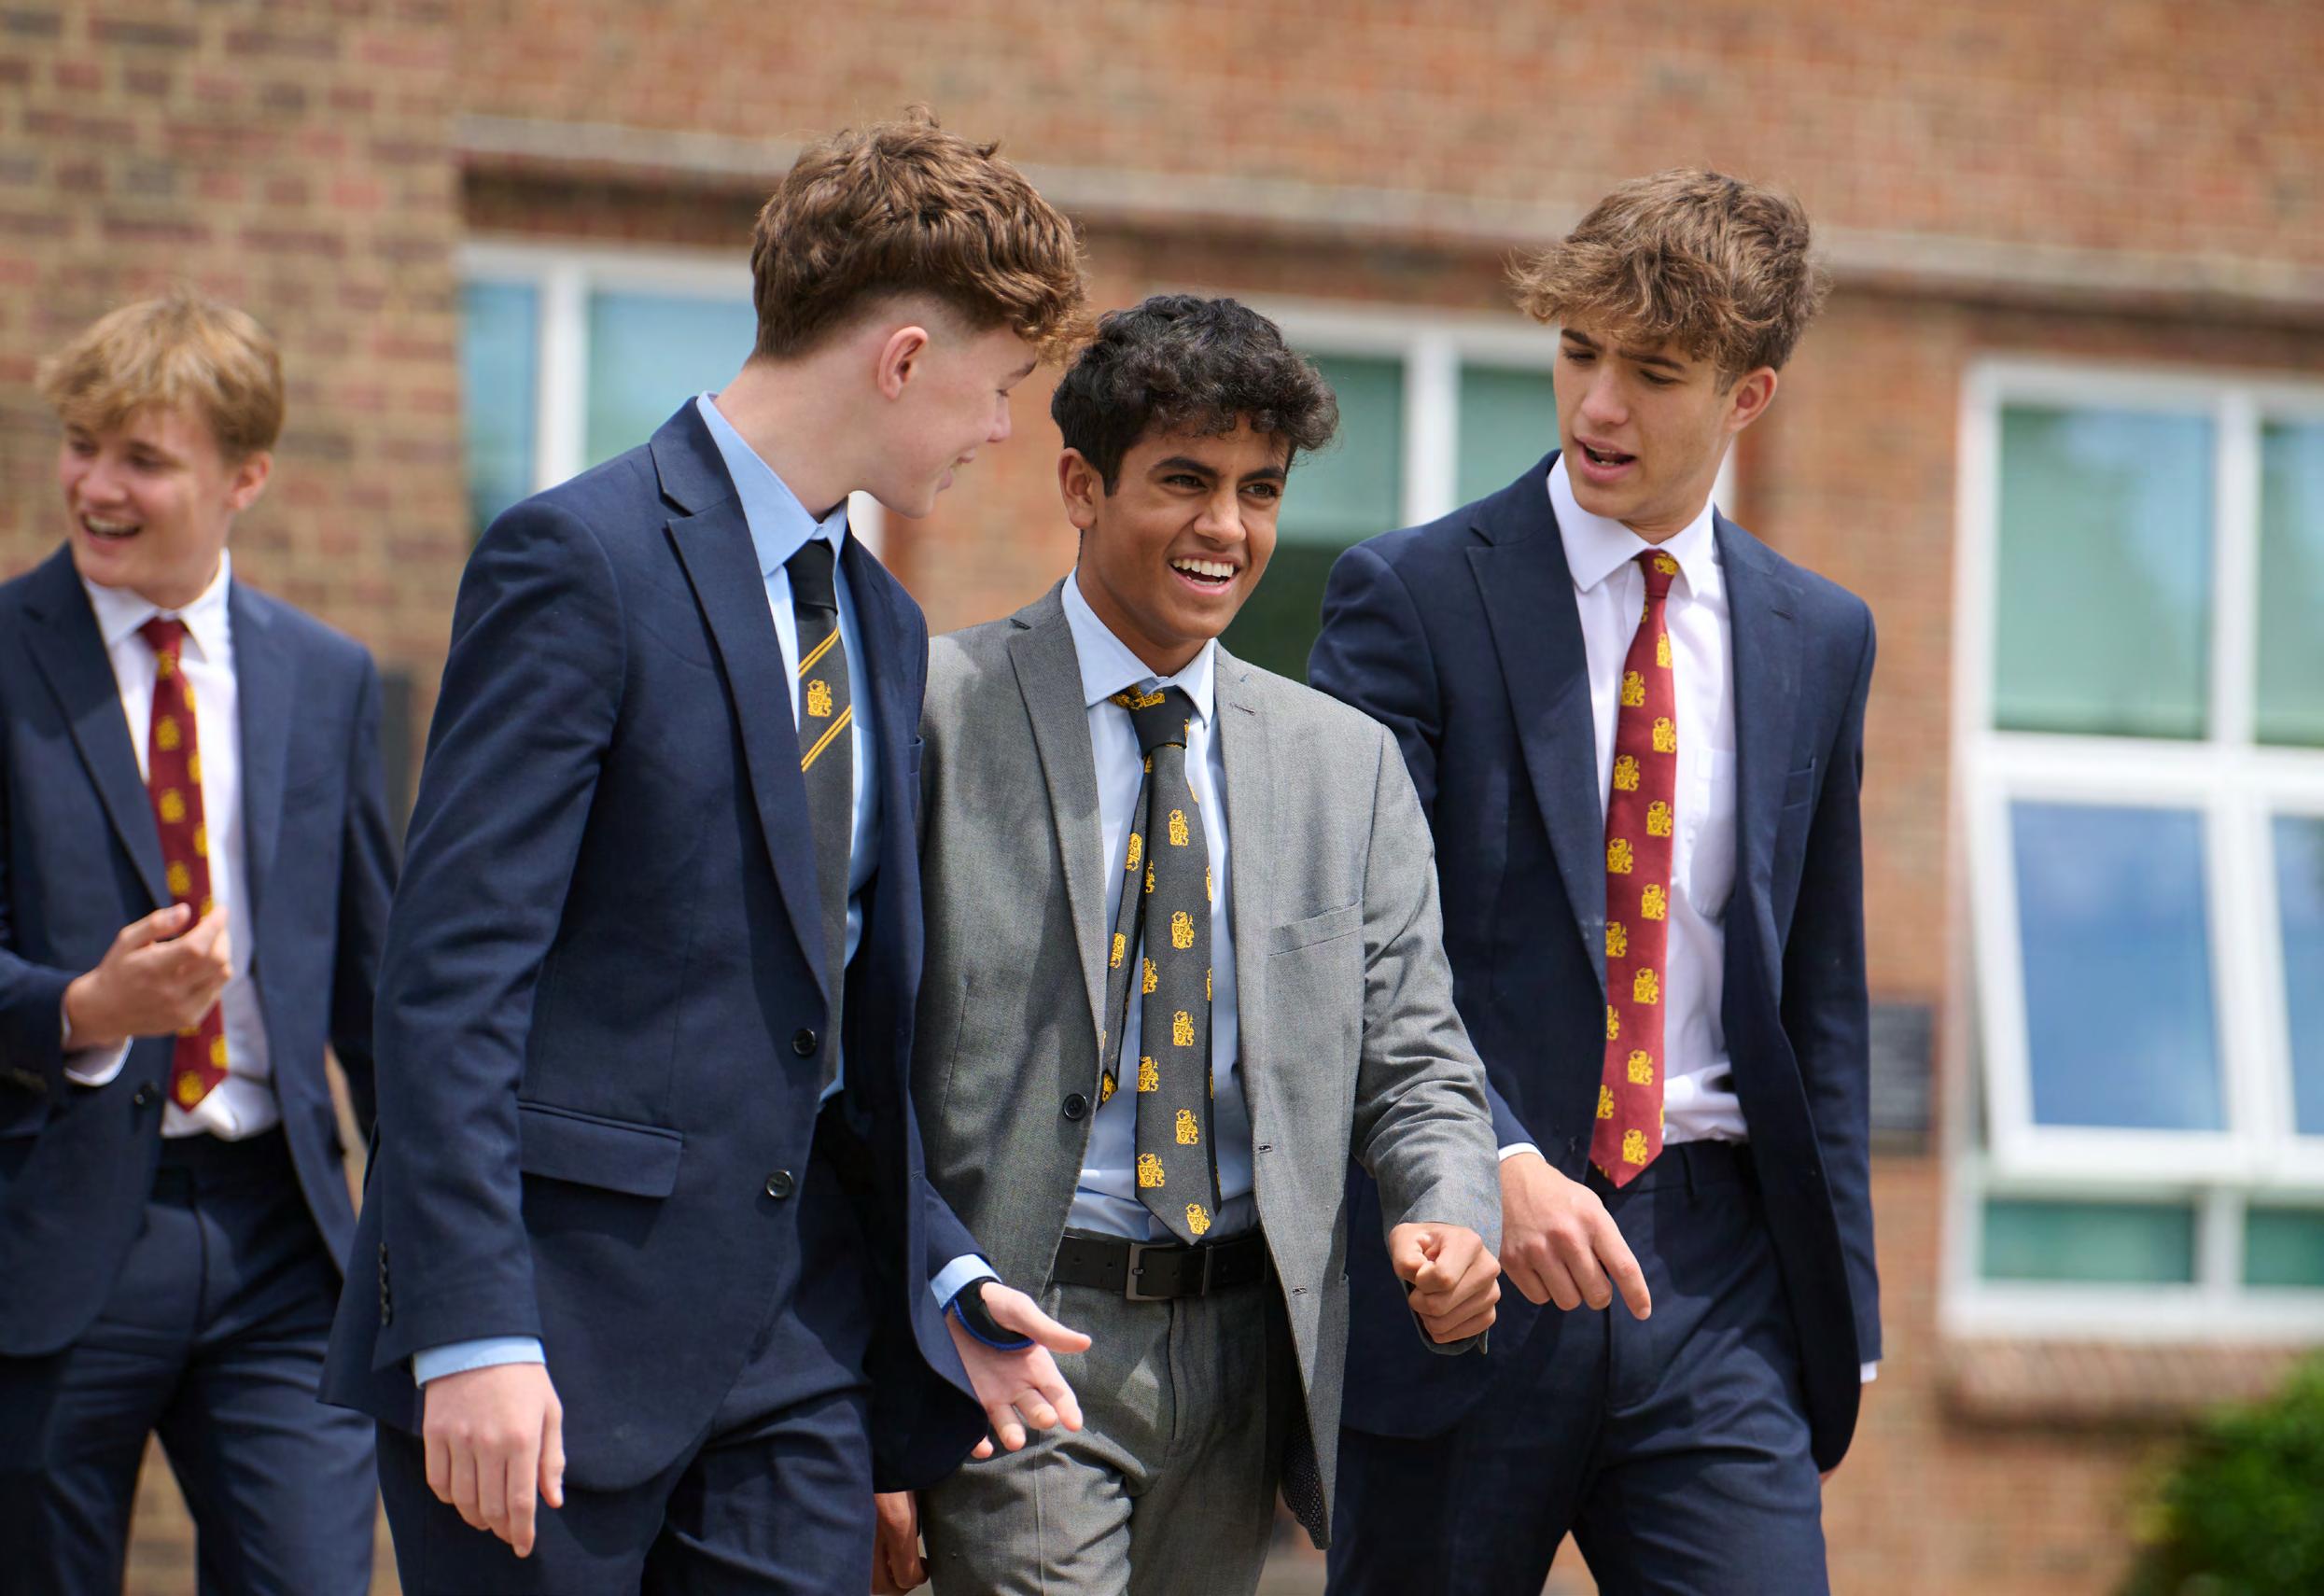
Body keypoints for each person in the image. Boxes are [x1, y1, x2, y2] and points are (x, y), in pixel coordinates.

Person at [321, 112, 1093, 1594]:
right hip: (549, 1343)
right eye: (999, 387)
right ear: (904, 358)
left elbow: (828, 1023)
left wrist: (940, 1265)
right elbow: (450, 982)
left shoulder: (880, 622)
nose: (1001, 430)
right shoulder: (578, 560)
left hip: (797, 1352)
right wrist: (473, 1326)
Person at [1309, 170, 1881, 1594]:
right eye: (1578, 353)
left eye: (1654, 373)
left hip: (1718, 1279)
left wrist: (1844, 1309)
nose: (1597, 406)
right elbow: (1352, 940)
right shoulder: (1409, 597)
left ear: (1748, 395)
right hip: (1464, 1266)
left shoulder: (1818, 636)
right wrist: (1489, 1158)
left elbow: (1820, 988)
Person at [888, 294, 1504, 1596]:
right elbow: (848, 1074)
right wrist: (879, 1383)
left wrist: (1449, 1211)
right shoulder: (934, 715)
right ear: (1080, 484)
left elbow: (1418, 1060)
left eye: (1258, 490)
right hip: (1020, 1339)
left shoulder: (1346, 768)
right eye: (1184, 480)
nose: (1227, 526)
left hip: (1246, 1357)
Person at [0, 289, 394, 1594]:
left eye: (143, 459)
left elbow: (375, 990)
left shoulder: (326, 676)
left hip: (284, 1236)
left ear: (246, 478)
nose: (95, 486)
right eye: (81, 446)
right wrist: (86, 1008)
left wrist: (441, 1237)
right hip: (50, 1233)